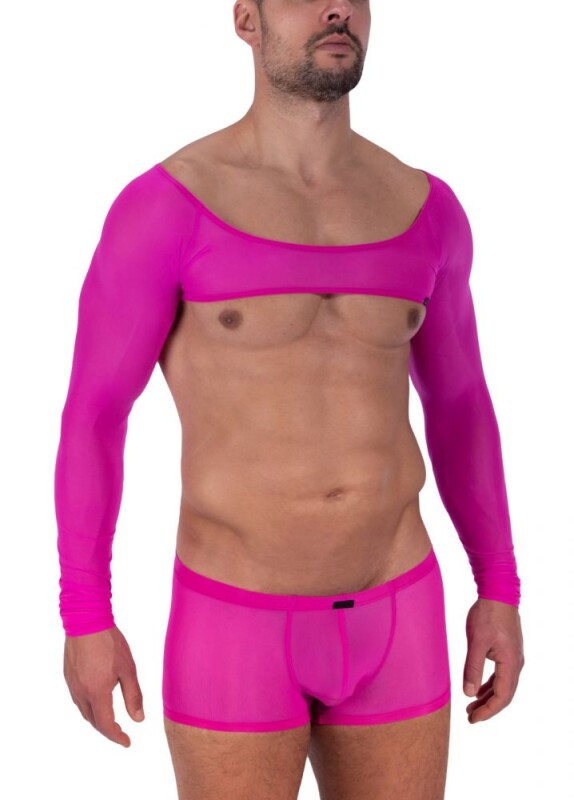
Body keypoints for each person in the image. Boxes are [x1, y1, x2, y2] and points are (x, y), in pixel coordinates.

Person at [54, 1, 525, 798]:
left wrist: (499, 588)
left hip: (400, 603)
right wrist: (86, 616)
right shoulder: (167, 206)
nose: (337, 8)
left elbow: (461, 406)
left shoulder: (425, 207)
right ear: (247, 20)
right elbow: (94, 416)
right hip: (234, 620)